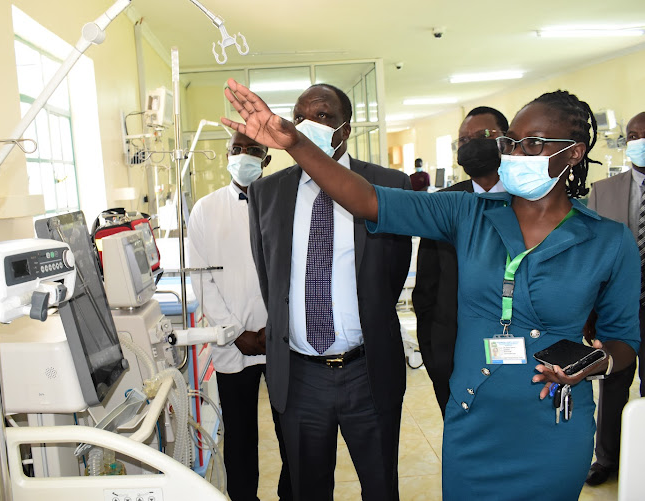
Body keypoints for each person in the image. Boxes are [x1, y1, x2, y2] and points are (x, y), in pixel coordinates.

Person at [222, 79, 640, 500]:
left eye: (531, 144)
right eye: (510, 143)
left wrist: (598, 362)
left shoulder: (608, 240)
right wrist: (295, 143)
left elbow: (625, 341)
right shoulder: (468, 213)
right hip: (475, 418)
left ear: (573, 153)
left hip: (554, 423)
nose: (514, 155)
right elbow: (367, 198)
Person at [245, 83, 412, 501]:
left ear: (345, 129)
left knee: (379, 488)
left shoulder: (389, 185)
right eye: (299, 117)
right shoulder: (266, 192)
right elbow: (270, 278)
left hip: (367, 371)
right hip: (300, 377)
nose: (307, 126)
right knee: (307, 490)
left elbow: (394, 271)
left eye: (321, 116)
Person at [187, 132, 291, 501]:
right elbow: (201, 278)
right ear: (227, 155)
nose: (243, 156)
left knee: (291, 432)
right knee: (240, 434)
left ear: (266, 159)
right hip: (232, 344)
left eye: (254, 150)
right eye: (237, 149)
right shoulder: (205, 210)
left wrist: (277, 326)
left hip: (283, 339)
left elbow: (298, 271)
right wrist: (235, 332)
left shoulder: (286, 203)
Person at [412, 106, 508, 416]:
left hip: (517, 357)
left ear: (506, 141)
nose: (470, 145)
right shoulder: (443, 204)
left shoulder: (530, 202)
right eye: (462, 140)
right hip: (453, 355)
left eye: (481, 136)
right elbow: (425, 290)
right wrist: (433, 351)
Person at [584, 111, 645, 486]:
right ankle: (608, 458)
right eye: (632, 135)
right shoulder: (603, 191)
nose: (638, 141)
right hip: (617, 309)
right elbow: (589, 256)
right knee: (613, 383)